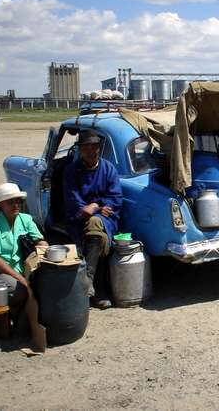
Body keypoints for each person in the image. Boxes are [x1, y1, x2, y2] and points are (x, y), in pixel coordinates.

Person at [63, 130, 123, 309]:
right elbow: (73, 199)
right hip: (78, 218)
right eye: (86, 147)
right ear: (80, 150)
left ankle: (86, 283)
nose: (91, 151)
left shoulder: (108, 169)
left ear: (99, 149)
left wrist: (95, 206)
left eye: (94, 147)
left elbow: (115, 199)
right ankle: (99, 290)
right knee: (100, 237)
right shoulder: (71, 171)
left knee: (95, 223)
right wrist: (89, 208)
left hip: (105, 219)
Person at [0, 183, 47, 321]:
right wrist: (21, 279)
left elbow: (39, 239)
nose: (15, 205)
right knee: (21, 290)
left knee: (45, 283)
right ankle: (13, 319)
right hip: (0, 272)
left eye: (18, 201)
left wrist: (44, 247)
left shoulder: (25, 219)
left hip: (24, 268)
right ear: (0, 205)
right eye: (10, 202)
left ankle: (25, 320)